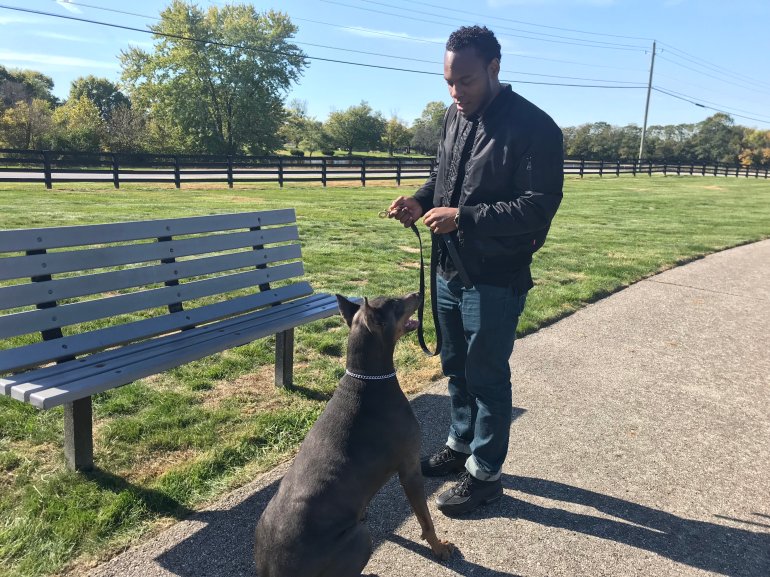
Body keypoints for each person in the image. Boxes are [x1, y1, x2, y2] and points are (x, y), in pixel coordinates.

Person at [387, 25, 563, 516]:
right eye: (448, 81)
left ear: (494, 68)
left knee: (486, 375)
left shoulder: (535, 127)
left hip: (496, 275)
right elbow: (443, 175)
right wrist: (420, 200)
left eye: (464, 81)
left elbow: (538, 207)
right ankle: (460, 446)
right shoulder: (453, 115)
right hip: (450, 270)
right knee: (456, 369)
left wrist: (463, 217)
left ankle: (485, 476)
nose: (454, 92)